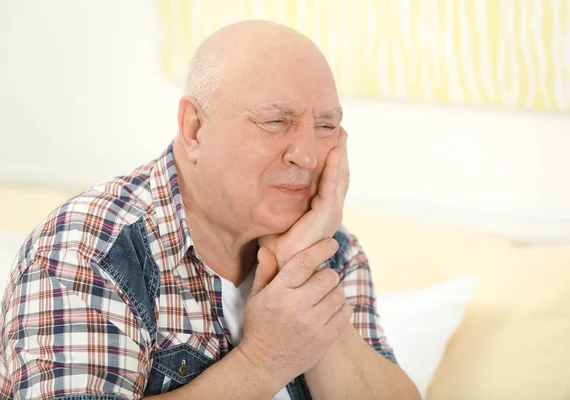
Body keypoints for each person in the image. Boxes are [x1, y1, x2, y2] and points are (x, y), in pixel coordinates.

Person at [0, 20, 420, 400]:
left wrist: (306, 278)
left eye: (326, 126)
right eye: (276, 122)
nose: (307, 156)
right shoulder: (88, 249)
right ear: (194, 128)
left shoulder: (331, 245)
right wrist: (263, 361)